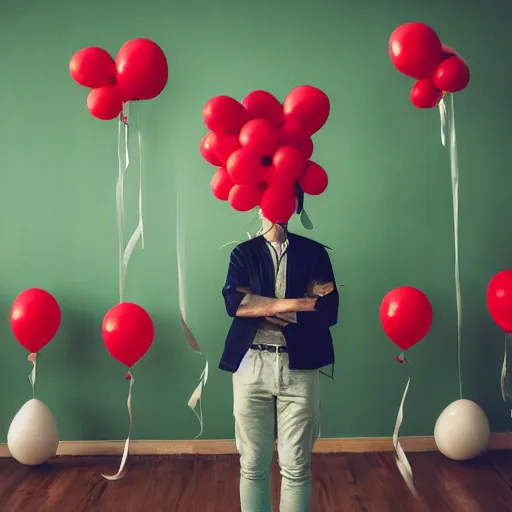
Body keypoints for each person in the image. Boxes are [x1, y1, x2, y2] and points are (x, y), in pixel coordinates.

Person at [219, 212, 339, 512]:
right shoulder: (243, 254)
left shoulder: (314, 253)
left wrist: (265, 305)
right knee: (252, 463)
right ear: (258, 206)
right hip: (251, 366)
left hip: (300, 368)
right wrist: (303, 303)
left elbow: (328, 312)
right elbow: (236, 305)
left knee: (296, 466)